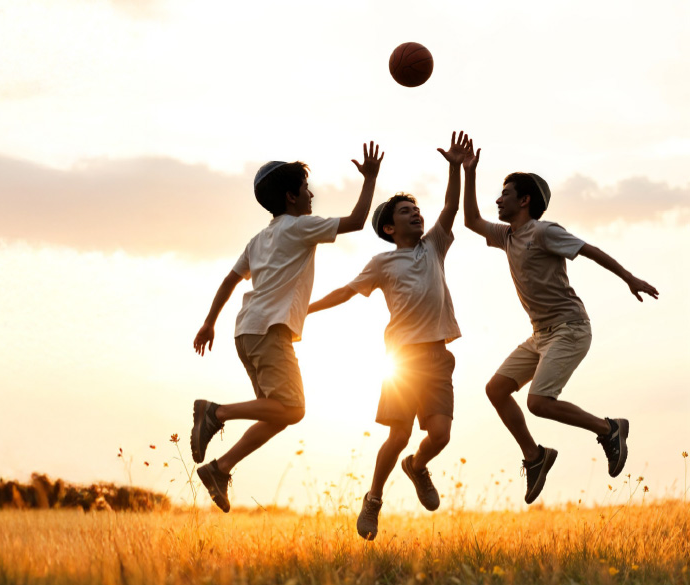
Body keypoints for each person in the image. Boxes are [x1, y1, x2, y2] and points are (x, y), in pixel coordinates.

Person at [190, 142, 383, 513]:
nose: (312, 195)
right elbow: (358, 221)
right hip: (270, 331)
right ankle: (216, 413)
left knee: (274, 412)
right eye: (306, 189)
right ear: (291, 196)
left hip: (246, 332)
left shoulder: (259, 239)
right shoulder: (300, 227)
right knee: (292, 409)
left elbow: (230, 281)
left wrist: (209, 323)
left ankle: (220, 469)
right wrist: (370, 179)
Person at [461, 155, 660, 504]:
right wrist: (467, 171)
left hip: (570, 328)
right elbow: (471, 220)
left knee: (538, 402)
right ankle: (535, 456)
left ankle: (609, 428)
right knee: (496, 389)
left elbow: (590, 251)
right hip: (540, 334)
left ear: (525, 200)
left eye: (505, 193)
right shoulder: (507, 236)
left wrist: (629, 278)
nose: (498, 199)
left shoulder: (543, 231)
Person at [308, 131, 473, 540]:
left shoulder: (434, 246)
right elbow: (346, 291)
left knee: (440, 435)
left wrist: (456, 168)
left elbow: (451, 206)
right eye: (405, 211)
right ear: (388, 226)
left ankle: (416, 467)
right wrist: (305, 309)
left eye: (416, 210)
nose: (416, 214)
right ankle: (374, 499)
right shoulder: (382, 262)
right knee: (398, 434)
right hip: (402, 361)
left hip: (438, 357)